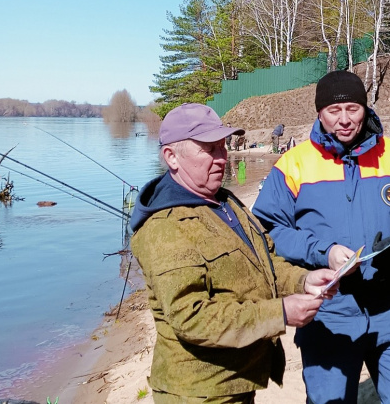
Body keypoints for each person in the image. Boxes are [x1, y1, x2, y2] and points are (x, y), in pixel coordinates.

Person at [253, 70, 390, 403]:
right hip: (328, 314)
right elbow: (268, 231)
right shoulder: (292, 166)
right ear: (319, 113)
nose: (344, 120)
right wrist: (322, 252)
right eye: (333, 111)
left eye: (352, 109)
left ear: (366, 109)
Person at [129, 103, 340, 403]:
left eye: (222, 146)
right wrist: (280, 312)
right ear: (171, 157)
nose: (221, 158)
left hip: (238, 382)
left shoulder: (225, 203)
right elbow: (192, 317)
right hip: (198, 392)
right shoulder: (164, 228)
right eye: (208, 148)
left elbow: (266, 263)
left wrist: (303, 281)